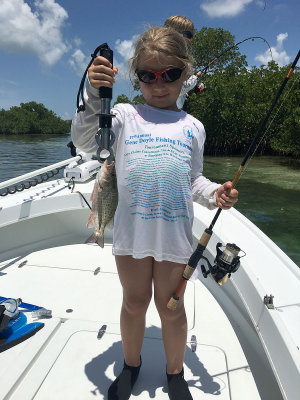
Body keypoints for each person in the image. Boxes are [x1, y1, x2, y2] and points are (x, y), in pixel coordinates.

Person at [71, 26, 238, 400]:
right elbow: (84, 141)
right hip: (131, 238)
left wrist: (216, 193)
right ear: (137, 77)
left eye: (170, 75)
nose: (158, 84)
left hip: (174, 239)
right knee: (133, 304)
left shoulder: (193, 127)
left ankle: (175, 372)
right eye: (148, 75)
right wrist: (94, 93)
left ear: (185, 75)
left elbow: (194, 180)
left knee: (172, 312)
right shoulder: (125, 115)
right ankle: (131, 365)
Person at [164, 15, 203, 109]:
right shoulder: (167, 59)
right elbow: (176, 89)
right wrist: (196, 77)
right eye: (188, 35)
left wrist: (182, 94)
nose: (190, 39)